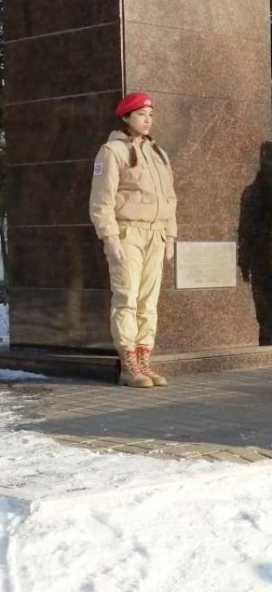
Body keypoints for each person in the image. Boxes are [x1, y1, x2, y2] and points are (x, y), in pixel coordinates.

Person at [89, 92, 177, 388]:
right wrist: (109, 236)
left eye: (150, 115)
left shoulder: (158, 153)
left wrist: (171, 235)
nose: (148, 120)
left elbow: (170, 198)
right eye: (141, 114)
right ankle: (129, 364)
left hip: (156, 233)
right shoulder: (112, 151)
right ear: (126, 117)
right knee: (127, 297)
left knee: (148, 302)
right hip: (127, 233)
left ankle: (144, 359)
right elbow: (102, 200)